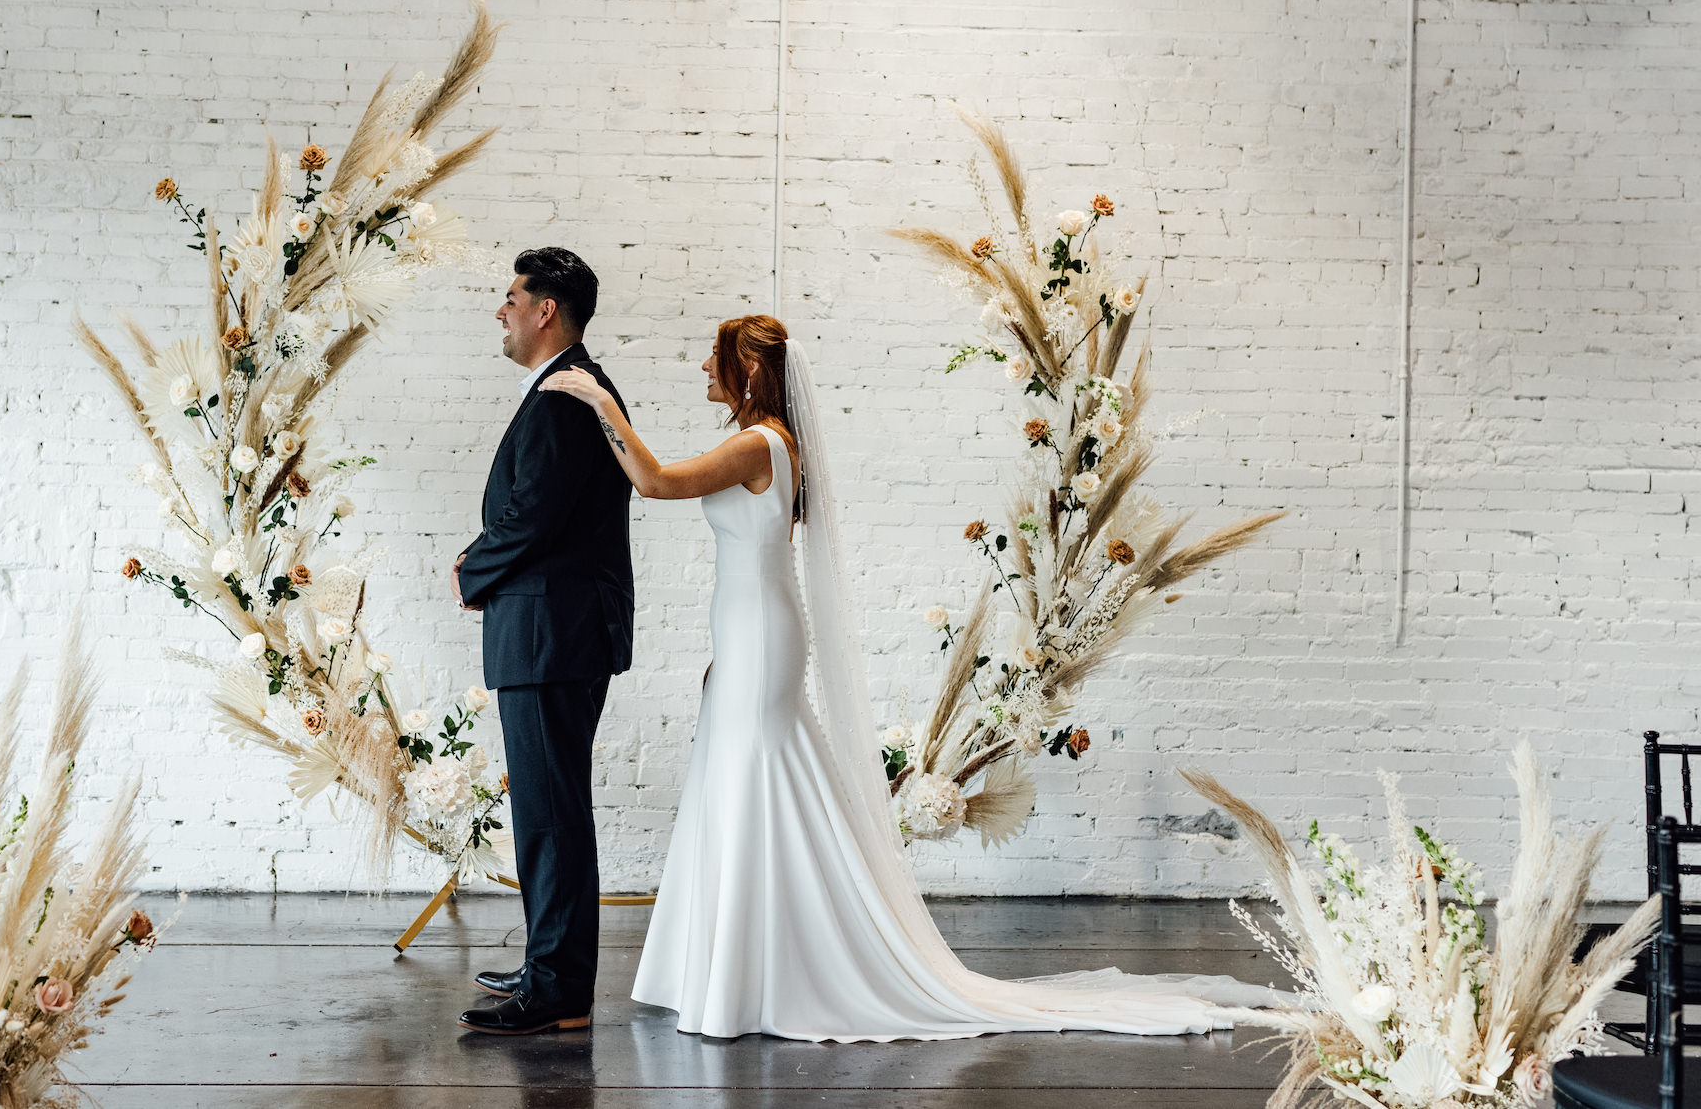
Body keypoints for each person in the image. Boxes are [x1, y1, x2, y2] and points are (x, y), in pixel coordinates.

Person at [540, 314, 1276, 1041]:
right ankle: (746, 967)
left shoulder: (759, 442)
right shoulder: (769, 443)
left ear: (753, 370)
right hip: (749, 636)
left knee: (752, 782)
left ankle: (763, 971)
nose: (704, 369)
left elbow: (658, 482)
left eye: (714, 358)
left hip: (760, 635)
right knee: (743, 784)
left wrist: (603, 404)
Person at [452, 247, 633, 1036]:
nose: (502, 310)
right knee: (544, 810)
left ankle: (559, 988)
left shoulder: (563, 396)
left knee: (552, 813)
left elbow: (536, 515)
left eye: (510, 297)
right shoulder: (564, 389)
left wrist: (471, 569)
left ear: (545, 310)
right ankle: (549, 963)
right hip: (546, 632)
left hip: (551, 635)